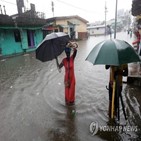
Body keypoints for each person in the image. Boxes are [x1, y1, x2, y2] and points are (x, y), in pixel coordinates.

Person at [57, 41, 78, 105]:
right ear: (65, 53)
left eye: (69, 53)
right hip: (66, 79)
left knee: (71, 93)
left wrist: (71, 44)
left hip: (72, 79)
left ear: (70, 52)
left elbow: (76, 50)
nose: (68, 54)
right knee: (67, 93)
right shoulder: (64, 60)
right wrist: (56, 59)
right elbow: (59, 67)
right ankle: (67, 104)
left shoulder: (72, 58)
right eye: (67, 53)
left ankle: (71, 104)